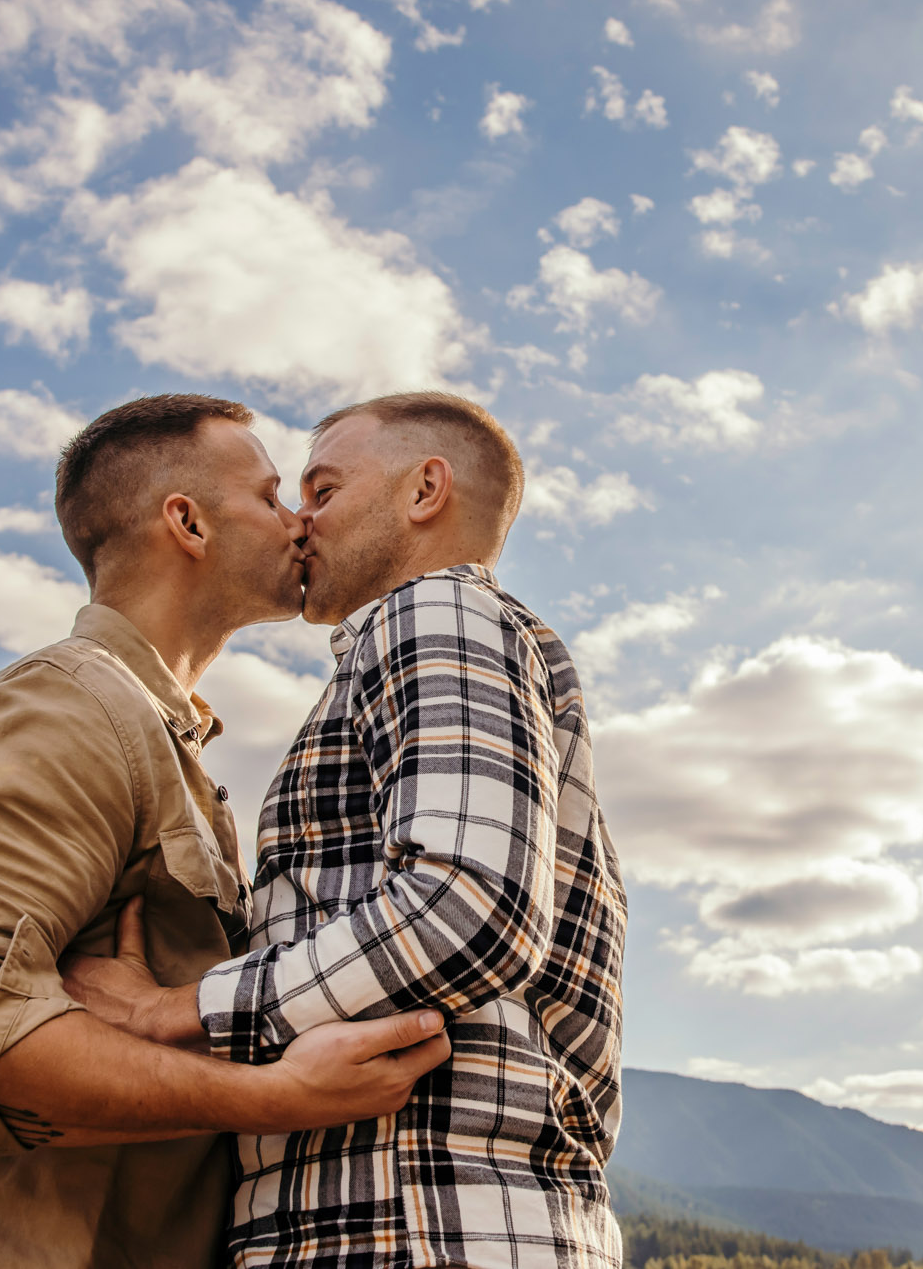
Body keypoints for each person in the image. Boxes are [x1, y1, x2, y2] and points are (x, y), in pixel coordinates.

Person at [0, 394, 451, 1269]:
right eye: (273, 495)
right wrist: (272, 1097)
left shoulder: (172, 747)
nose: (299, 521)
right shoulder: (64, 705)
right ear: (188, 523)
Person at [65, 392, 628, 1269]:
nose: (299, 521)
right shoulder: (434, 648)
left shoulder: (437, 611)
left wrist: (170, 1012)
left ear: (424, 490)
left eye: (322, 490)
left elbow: (468, 905)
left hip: (415, 1227)